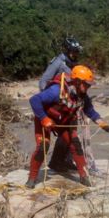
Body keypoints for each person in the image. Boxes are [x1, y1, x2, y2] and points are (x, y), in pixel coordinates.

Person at [26, 65, 109, 189]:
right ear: (77, 82)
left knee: (75, 144)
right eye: (87, 84)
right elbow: (34, 100)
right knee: (43, 146)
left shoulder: (83, 96)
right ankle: (31, 179)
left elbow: (91, 112)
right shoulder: (56, 90)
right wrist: (43, 118)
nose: (89, 87)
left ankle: (84, 177)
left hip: (64, 123)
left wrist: (104, 125)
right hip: (45, 120)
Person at [39, 37, 85, 172]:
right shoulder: (58, 62)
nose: (76, 54)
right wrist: (49, 101)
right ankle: (56, 162)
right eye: (74, 51)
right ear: (68, 50)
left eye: (77, 52)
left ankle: (65, 160)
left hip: (71, 102)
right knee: (67, 132)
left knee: (72, 131)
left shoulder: (73, 63)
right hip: (58, 103)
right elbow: (44, 81)